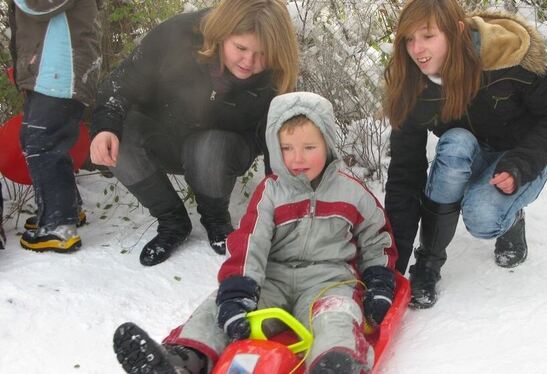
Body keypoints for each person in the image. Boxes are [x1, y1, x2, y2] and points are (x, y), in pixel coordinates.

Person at [111, 92, 398, 374]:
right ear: (275, 147)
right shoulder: (271, 193)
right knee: (217, 307)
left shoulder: (351, 192)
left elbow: (377, 239)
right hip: (272, 278)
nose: (297, 158)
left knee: (336, 315)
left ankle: (336, 362)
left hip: (327, 280)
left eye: (309, 147)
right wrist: (238, 292)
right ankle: (186, 357)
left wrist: (379, 283)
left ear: (328, 143)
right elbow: (251, 243)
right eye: (287, 148)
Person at [384, 0, 547, 309]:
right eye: (409, 38)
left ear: (457, 31)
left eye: (428, 36)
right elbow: (405, 175)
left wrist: (521, 165)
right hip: (469, 154)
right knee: (457, 141)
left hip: (520, 160)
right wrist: (392, 268)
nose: (417, 49)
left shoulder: (506, 57)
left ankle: (511, 218)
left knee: (482, 217)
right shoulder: (414, 82)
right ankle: (428, 263)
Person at [89, 0, 300, 266]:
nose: (249, 61)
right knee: (120, 136)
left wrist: (285, 216)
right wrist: (105, 127)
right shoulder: (177, 36)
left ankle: (216, 220)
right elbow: (122, 82)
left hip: (223, 148)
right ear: (222, 33)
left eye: (262, 54)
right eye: (241, 48)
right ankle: (172, 221)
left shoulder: (276, 75)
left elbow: (277, 142)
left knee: (208, 147)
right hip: (162, 134)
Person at [8, 0, 102, 252]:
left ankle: (58, 225)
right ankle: (67, 207)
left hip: (59, 70)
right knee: (40, 141)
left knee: (42, 144)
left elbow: (39, 5)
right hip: (53, 71)